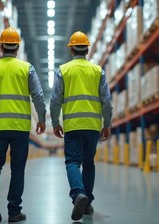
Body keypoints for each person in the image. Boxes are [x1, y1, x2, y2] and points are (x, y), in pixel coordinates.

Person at [0, 27, 47, 223]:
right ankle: (14, 211)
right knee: (18, 169)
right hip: (20, 128)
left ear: (1, 46)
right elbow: (38, 96)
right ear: (17, 47)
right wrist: (41, 118)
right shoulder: (26, 68)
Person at [49, 31, 113, 221]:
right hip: (93, 125)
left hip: (73, 125)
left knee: (72, 162)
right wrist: (107, 123)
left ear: (71, 49)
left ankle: (78, 194)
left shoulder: (64, 70)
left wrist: (55, 122)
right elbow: (107, 102)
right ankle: (87, 203)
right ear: (87, 49)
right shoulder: (97, 71)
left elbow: (55, 100)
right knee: (89, 163)